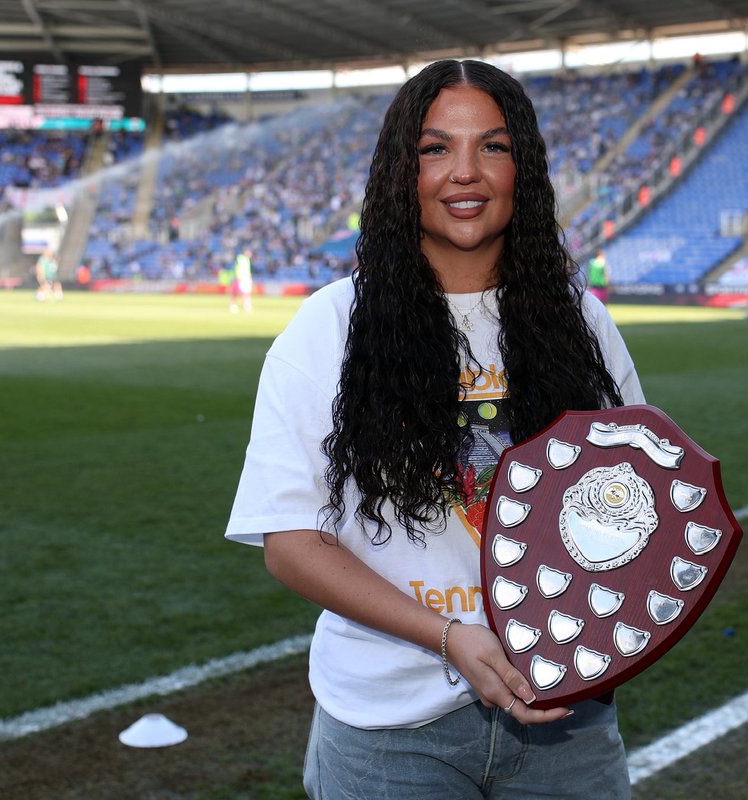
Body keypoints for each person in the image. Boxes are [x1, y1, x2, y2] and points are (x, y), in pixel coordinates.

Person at [225, 59, 644, 799]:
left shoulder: (580, 322)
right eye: (435, 148)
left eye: (493, 146)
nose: (465, 174)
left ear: (526, 168)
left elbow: (629, 501)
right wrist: (452, 636)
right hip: (389, 731)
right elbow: (290, 543)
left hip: (564, 720)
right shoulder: (327, 328)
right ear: (400, 169)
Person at [230, 247, 253, 313]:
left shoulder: (247, 259)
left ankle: (246, 304)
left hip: (246, 278)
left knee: (246, 292)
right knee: (236, 292)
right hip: (240, 278)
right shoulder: (240, 258)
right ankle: (233, 304)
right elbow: (237, 267)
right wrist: (237, 276)